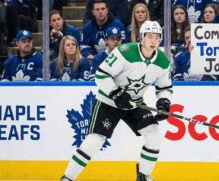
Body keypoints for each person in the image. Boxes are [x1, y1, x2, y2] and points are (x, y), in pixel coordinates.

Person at [60, 20, 172, 181]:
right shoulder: (125, 52)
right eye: (149, 36)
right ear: (142, 37)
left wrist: (164, 102)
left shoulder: (163, 61)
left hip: (135, 103)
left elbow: (165, 87)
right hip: (108, 101)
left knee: (154, 135)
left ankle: (143, 175)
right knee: (95, 141)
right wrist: (115, 93)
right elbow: (101, 75)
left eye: (157, 37)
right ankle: (67, 178)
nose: (153, 41)